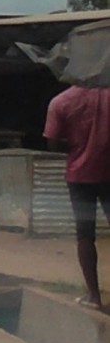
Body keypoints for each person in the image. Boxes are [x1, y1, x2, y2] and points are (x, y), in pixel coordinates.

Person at [43, 84, 110, 310]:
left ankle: (94, 296)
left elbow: (52, 142)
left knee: (85, 234)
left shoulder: (61, 101)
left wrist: (78, 148)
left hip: (80, 176)